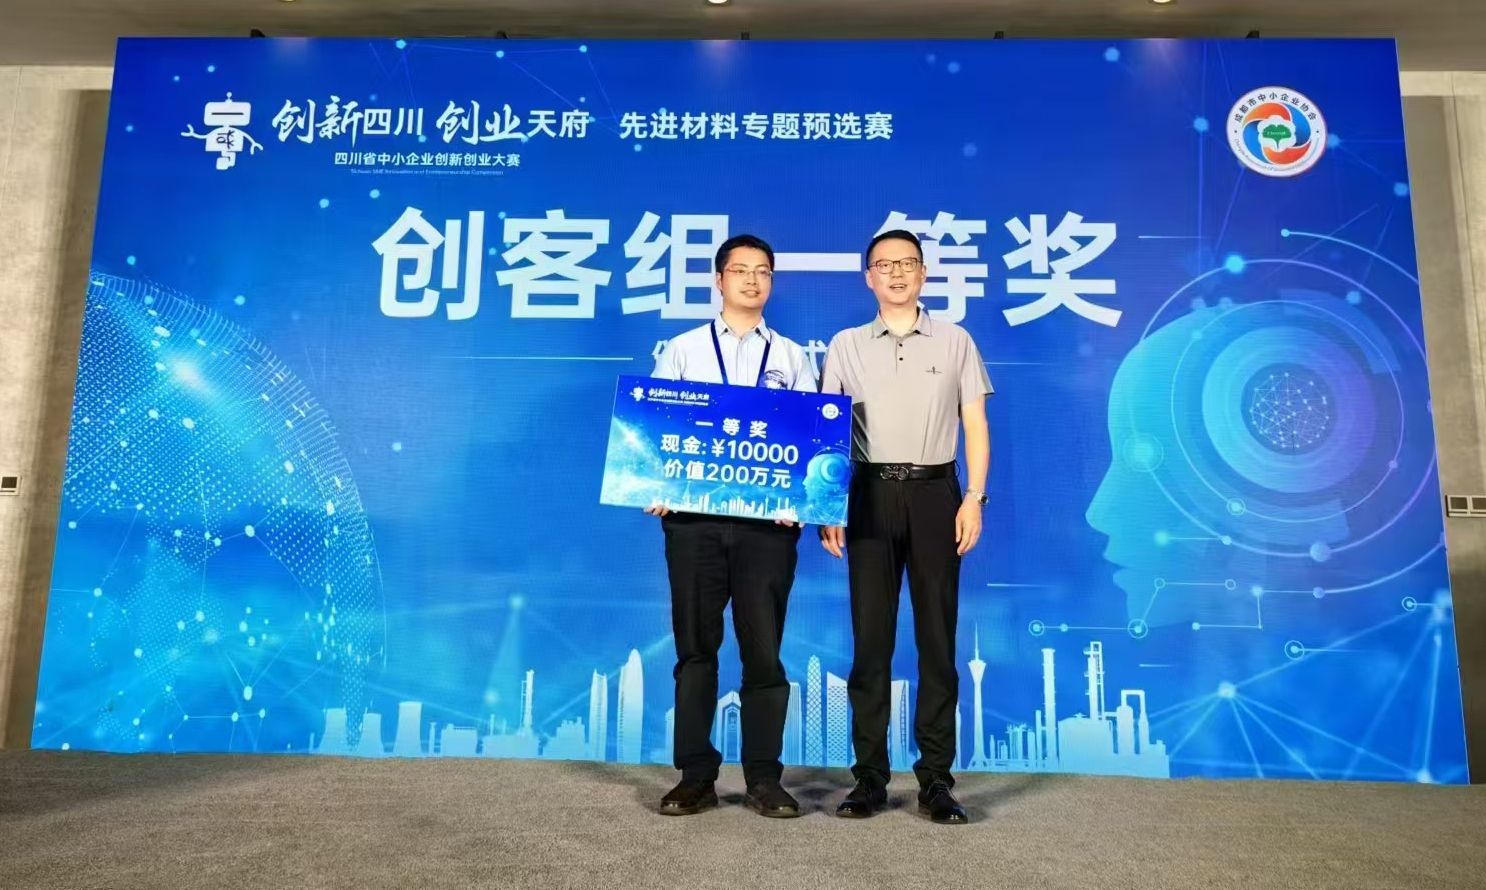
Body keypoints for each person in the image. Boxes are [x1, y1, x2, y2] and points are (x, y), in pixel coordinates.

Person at [818, 229, 993, 824]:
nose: (896, 273)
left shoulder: (955, 340)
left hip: (935, 493)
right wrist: (829, 507)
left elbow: (975, 422)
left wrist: (973, 498)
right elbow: (828, 432)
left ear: (924, 273)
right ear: (868, 276)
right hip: (867, 493)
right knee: (871, 641)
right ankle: (869, 777)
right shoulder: (845, 344)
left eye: (907, 263)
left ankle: (936, 779)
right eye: (884, 264)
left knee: (937, 641)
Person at [648, 234, 817, 818]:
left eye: (763, 271)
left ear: (771, 282)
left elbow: (809, 439)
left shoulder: (792, 357)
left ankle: (764, 778)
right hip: (695, 522)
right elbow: (657, 424)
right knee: (696, 650)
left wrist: (801, 498)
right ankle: (695, 775)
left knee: (764, 653)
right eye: (741, 270)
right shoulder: (683, 349)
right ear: (718, 280)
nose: (752, 280)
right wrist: (653, 481)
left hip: (767, 528)